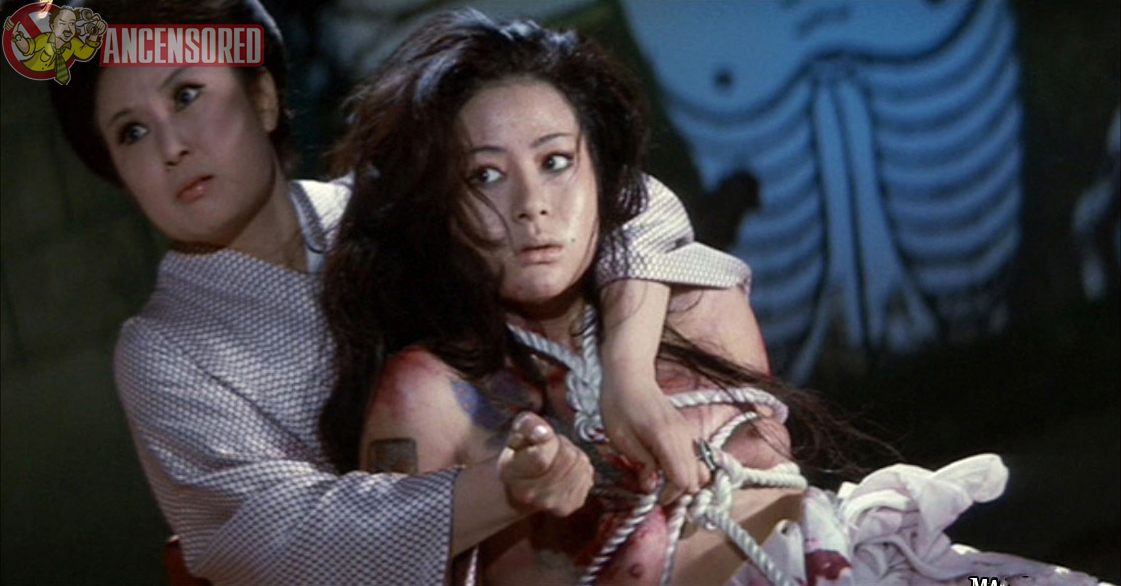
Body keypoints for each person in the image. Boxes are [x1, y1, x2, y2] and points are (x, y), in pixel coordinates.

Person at [323, 10, 1106, 586]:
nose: (531, 206)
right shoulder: (429, 393)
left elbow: (653, 219)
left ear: (600, 172)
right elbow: (366, 559)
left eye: (555, 161)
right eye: (485, 176)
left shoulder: (696, 303)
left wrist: (628, 378)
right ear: (440, 201)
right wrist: (504, 492)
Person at [49, 0, 755, 583]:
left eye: (187, 95)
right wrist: (500, 489)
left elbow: (631, 207)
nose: (171, 146)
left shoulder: (386, 204)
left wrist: (628, 378)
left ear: (261, 96)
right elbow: (261, 536)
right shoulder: (162, 351)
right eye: (131, 132)